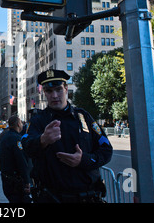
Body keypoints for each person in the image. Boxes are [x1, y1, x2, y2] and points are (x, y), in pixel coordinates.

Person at [22, 69, 113, 203]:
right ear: (44, 93)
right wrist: (42, 140)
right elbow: (26, 147)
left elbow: (106, 149)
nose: (54, 95)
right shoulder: (38, 120)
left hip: (87, 197)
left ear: (66, 89)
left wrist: (84, 160)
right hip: (52, 198)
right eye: (49, 91)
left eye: (58, 89)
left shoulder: (83, 117)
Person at [0, 116, 32, 203]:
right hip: (15, 180)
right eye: (21, 123)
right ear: (18, 124)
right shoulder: (16, 139)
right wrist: (27, 180)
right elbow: (21, 160)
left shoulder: (4, 137)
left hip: (6, 178)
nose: (22, 125)